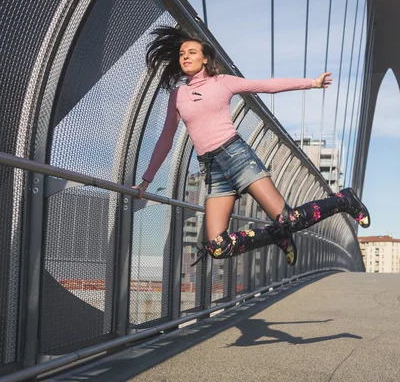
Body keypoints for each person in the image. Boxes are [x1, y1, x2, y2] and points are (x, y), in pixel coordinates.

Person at [133, 26, 370, 267]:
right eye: (182, 53)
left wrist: (312, 83)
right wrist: (146, 180)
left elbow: (267, 85)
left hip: (237, 156)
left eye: (192, 52)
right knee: (217, 247)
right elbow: (166, 138)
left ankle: (343, 200)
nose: (185, 56)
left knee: (289, 218)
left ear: (205, 58)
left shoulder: (222, 82)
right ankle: (275, 235)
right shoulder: (178, 95)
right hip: (212, 170)